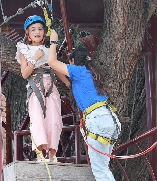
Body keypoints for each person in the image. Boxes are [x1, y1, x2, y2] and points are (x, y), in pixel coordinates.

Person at [47, 29, 121, 181]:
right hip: (110, 120)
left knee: (100, 171)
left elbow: (52, 62)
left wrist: (53, 41)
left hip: (97, 120)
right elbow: (58, 71)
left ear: (73, 61)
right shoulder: (89, 74)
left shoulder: (78, 71)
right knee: (103, 168)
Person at [15, 15, 70, 162]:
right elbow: (25, 73)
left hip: (51, 85)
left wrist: (67, 82)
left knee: (54, 119)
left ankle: (52, 154)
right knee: (38, 119)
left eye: (40, 28)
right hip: (36, 86)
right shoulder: (24, 49)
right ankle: (40, 153)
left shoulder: (48, 50)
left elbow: (55, 67)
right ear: (28, 34)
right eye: (33, 29)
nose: (37, 31)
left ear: (45, 32)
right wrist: (35, 59)